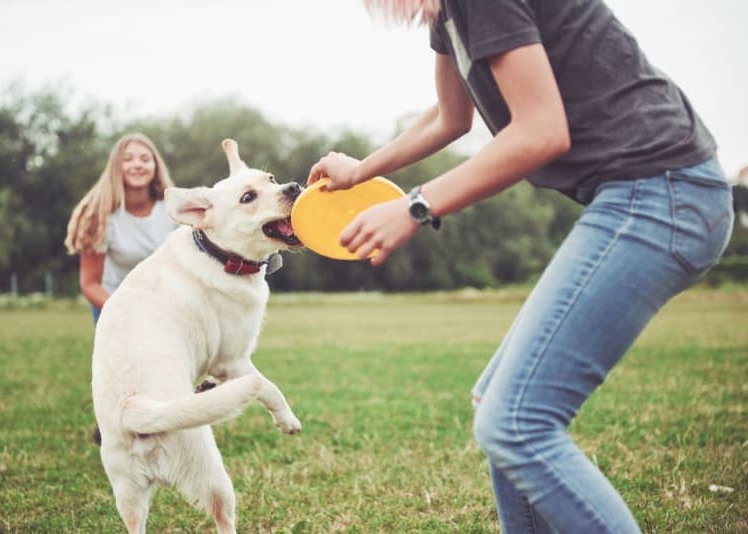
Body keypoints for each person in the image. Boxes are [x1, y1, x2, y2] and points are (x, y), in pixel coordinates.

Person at [308, 1, 734, 532]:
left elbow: (540, 132)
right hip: (643, 195)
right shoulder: (450, 17)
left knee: (516, 423)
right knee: (499, 405)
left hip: (662, 192)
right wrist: (361, 171)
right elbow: (450, 117)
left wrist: (417, 205)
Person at [64, 132, 176, 324]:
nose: (137, 164)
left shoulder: (173, 208)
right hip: (113, 303)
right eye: (128, 159)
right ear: (117, 167)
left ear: (155, 166)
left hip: (163, 304)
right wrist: (127, 312)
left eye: (145, 159)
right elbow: (90, 284)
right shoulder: (98, 217)